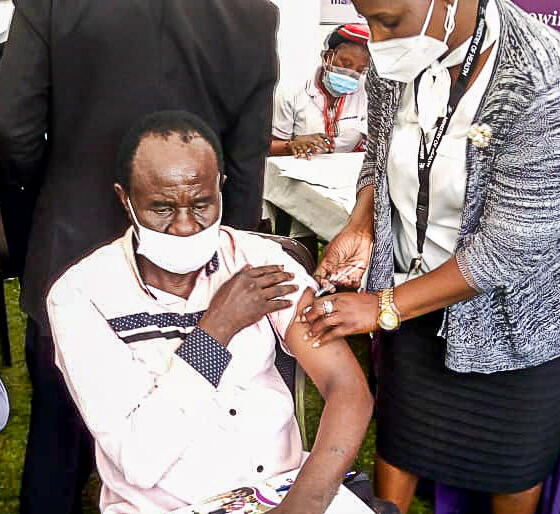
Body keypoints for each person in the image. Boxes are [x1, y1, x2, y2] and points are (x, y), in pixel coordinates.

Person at [303, 0, 560, 513]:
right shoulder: (393, 63)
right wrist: (362, 224)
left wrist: (385, 306)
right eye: (368, 19)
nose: (376, 42)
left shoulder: (544, 73)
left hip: (529, 313)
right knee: (401, 442)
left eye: (389, 22)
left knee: (509, 468)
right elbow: (379, 160)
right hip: (413, 283)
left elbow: (512, 245)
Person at [0, 2, 279, 512]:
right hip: (196, 262)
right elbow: (245, 159)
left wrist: (56, 193)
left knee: (58, 434)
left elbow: (13, 130)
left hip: (72, 238)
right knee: (204, 429)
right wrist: (223, 250)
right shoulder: (251, 13)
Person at [46, 111, 373, 514]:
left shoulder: (259, 260)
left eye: (201, 204)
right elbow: (139, 458)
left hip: (279, 489)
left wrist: (304, 503)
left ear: (220, 188)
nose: (185, 226)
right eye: (162, 209)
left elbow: (346, 385)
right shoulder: (83, 296)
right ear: (125, 199)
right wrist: (217, 328)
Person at [270, 23, 370, 159]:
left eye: (360, 70)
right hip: (300, 173)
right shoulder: (291, 92)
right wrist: (290, 145)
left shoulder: (366, 92)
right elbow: (267, 147)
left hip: (349, 172)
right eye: (345, 64)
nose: (351, 73)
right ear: (327, 57)